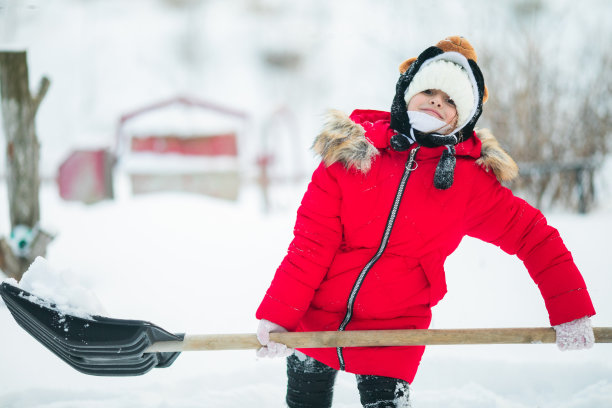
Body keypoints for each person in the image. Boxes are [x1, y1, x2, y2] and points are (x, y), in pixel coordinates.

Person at [255, 36, 596, 408]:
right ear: (407, 94)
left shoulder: (469, 184)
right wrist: (279, 316)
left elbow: (535, 237)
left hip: (394, 330)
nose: (437, 101)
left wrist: (572, 310)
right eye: (430, 90)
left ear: (463, 119)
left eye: (451, 100)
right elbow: (310, 246)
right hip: (315, 320)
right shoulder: (351, 156)